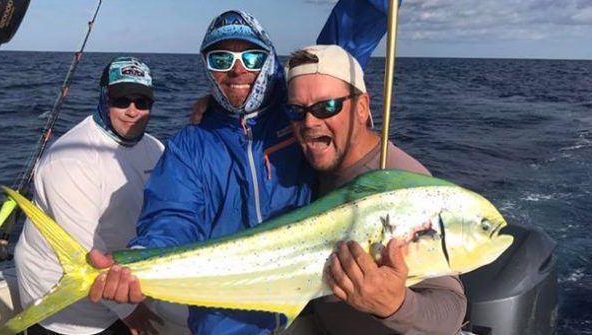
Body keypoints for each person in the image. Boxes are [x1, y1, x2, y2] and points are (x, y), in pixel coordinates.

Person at [88, 2, 395, 335]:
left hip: (313, 301)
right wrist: (141, 259)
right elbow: (173, 216)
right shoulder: (188, 146)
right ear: (207, 68)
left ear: (269, 59)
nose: (237, 71)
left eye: (251, 58)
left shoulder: (297, 111)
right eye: (221, 60)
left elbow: (350, 30)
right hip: (228, 321)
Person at [282, 45, 467, 334]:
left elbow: (450, 309)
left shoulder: (402, 186)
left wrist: (395, 305)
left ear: (362, 108)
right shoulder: (311, 161)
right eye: (296, 110)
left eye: (327, 106)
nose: (309, 122)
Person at [14, 57, 165, 335]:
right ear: (104, 98)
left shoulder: (155, 148)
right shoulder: (70, 160)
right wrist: (131, 312)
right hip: (65, 306)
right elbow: (89, 253)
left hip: (123, 283)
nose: (132, 111)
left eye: (142, 102)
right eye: (122, 101)